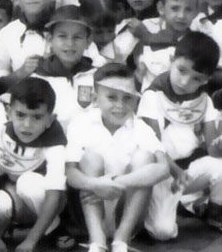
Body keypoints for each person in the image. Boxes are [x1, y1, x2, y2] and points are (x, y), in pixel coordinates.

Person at [65, 63, 169, 252]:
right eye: (112, 97)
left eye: (127, 98)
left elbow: (163, 168)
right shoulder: (80, 124)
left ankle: (121, 241)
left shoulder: (141, 128)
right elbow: (70, 172)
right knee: (90, 157)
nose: (120, 105)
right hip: (89, 212)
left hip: (127, 212)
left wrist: (116, 183)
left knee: (144, 158)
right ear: (95, 98)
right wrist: (96, 184)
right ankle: (97, 242)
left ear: (135, 100)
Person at [138, 32, 222, 242]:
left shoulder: (204, 100)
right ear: (171, 60)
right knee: (163, 232)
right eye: (182, 70)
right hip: (161, 171)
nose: (185, 82)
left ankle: (214, 212)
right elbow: (154, 147)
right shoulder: (153, 96)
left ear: (207, 79)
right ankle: (156, 209)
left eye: (197, 78)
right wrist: (176, 172)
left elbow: (213, 150)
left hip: (186, 170)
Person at [0, 77, 70, 252]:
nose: (27, 125)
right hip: (13, 200)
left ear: (50, 119)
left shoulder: (56, 143)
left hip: (44, 203)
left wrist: (30, 242)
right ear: (9, 112)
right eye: (20, 115)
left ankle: (55, 229)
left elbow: (54, 195)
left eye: (37, 117)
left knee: (28, 183)